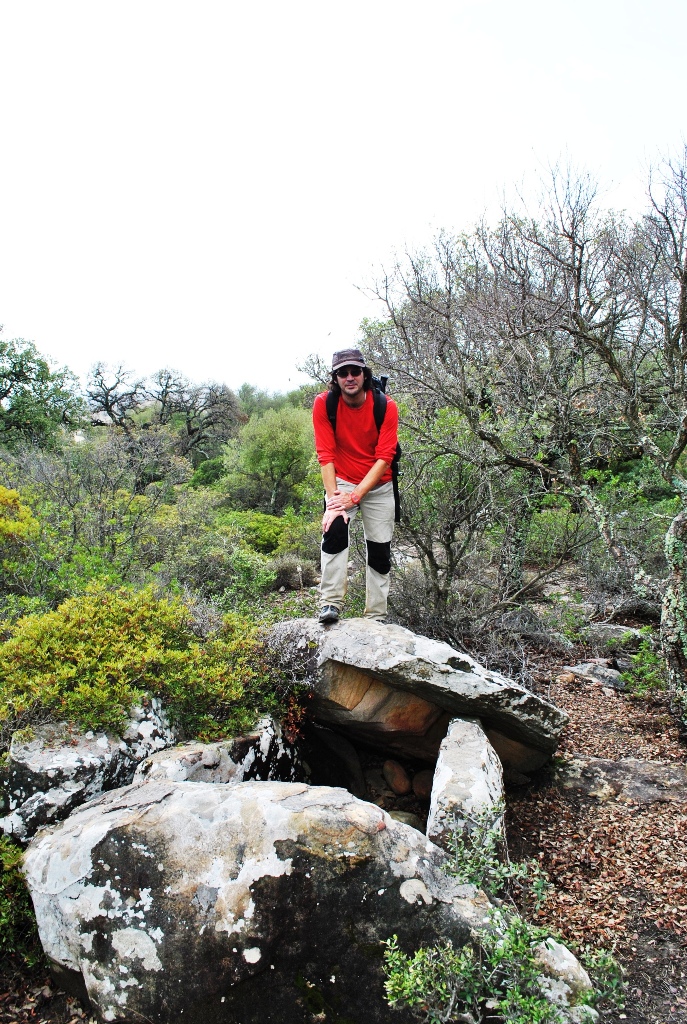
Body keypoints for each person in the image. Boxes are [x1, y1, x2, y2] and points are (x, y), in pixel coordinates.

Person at [312, 348, 399, 624]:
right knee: (334, 529)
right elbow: (325, 455)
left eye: (355, 372)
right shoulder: (324, 405)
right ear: (335, 378)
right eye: (342, 373)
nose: (349, 377)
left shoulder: (386, 406)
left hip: (378, 485)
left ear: (364, 374)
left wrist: (357, 495)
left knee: (380, 550)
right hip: (341, 480)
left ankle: (376, 615)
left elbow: (385, 457)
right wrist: (333, 500)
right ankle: (330, 603)